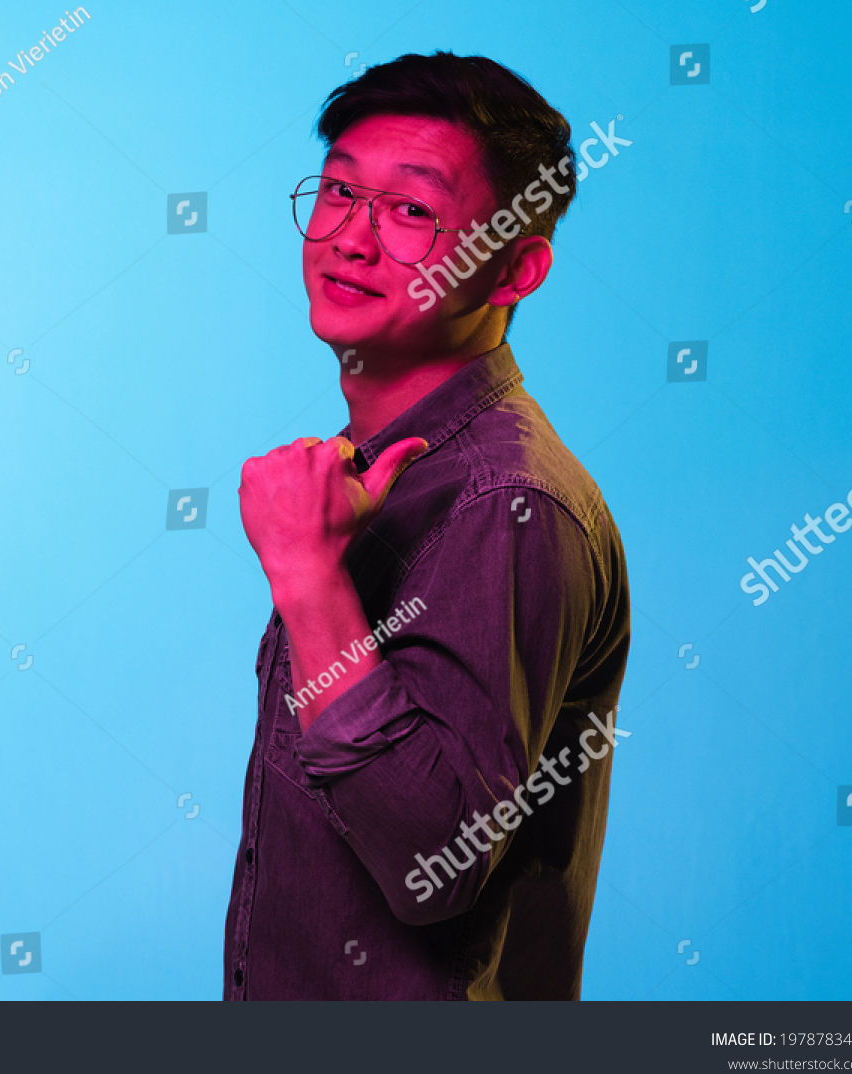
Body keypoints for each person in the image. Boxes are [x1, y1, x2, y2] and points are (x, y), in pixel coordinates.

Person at [226, 51, 632, 1000]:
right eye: (338, 192)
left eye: (411, 211)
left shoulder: (507, 501)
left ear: (515, 269)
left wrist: (308, 577)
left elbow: (432, 860)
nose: (349, 240)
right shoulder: (373, 472)